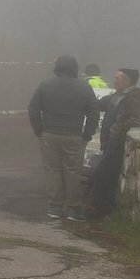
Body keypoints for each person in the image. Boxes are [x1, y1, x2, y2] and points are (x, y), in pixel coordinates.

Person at [27, 55, 99, 221]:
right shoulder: (84, 87)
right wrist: (87, 134)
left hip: (49, 135)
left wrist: (39, 130)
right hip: (74, 135)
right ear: (74, 68)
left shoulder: (45, 85)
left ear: (57, 68)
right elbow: (93, 113)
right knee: (73, 172)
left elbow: (33, 109)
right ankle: (73, 209)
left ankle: (55, 207)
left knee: (53, 171)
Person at [88, 68, 140, 218]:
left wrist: (116, 128)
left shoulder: (134, 98)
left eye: (117, 78)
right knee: (105, 174)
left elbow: (138, 120)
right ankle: (102, 208)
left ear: (127, 81)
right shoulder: (118, 95)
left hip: (117, 144)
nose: (114, 81)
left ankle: (99, 208)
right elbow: (99, 104)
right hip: (110, 143)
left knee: (102, 173)